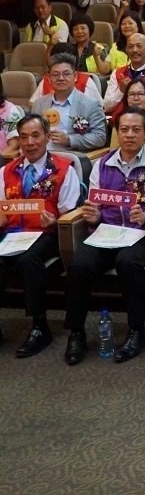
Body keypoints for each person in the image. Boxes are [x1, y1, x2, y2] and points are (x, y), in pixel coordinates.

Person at [64, 107, 145, 365]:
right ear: (117, 132)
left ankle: (137, 330)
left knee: (128, 263)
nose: (129, 135)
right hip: (106, 232)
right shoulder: (103, 163)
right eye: (124, 130)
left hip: (139, 233)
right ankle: (76, 332)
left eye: (136, 130)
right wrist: (92, 215)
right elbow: (93, 204)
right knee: (79, 264)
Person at [0, 114, 82, 357]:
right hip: (13, 234)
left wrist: (56, 223)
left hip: (48, 234)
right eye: (24, 137)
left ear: (47, 137)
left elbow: (71, 217)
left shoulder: (64, 169)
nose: (30, 143)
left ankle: (39, 325)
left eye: (36, 136)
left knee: (29, 260)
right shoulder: (7, 171)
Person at [33, 54, 107, 156]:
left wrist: (69, 140)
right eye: (55, 74)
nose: (61, 78)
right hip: (41, 156)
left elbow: (100, 137)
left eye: (66, 74)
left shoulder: (91, 105)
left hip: (71, 157)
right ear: (49, 78)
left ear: (75, 76)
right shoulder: (39, 104)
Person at [103, 33, 145, 115]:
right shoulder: (117, 73)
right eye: (130, 47)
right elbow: (106, 106)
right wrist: (120, 90)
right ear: (126, 49)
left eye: (139, 46)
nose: (134, 50)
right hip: (118, 124)